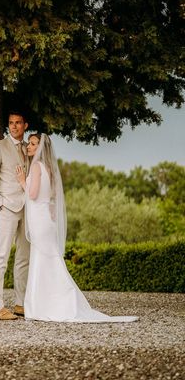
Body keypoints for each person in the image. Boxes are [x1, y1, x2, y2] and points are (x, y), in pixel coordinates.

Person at [16, 133, 138, 323]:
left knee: (42, 260)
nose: (29, 147)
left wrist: (23, 181)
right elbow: (51, 200)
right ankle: (50, 302)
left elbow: (32, 195)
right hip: (46, 221)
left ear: (40, 148)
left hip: (40, 221)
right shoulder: (49, 169)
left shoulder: (38, 167)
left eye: (32, 144)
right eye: (29, 144)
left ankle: (43, 305)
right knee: (49, 260)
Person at [0, 111, 31, 320]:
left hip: (28, 209)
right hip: (7, 209)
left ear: (25, 125)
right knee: (1, 256)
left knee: (24, 257)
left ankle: (21, 303)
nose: (13, 126)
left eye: (18, 123)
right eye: (11, 123)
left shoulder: (30, 148)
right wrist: (0, 204)